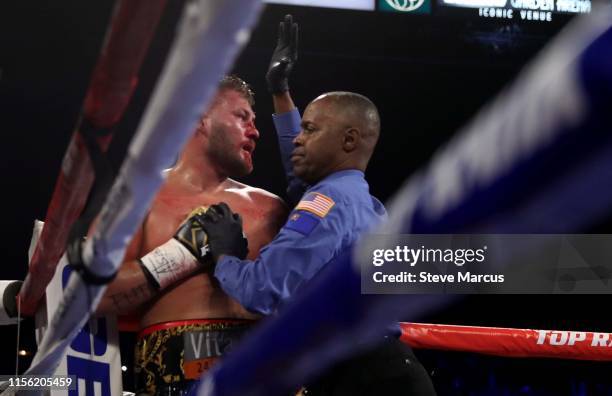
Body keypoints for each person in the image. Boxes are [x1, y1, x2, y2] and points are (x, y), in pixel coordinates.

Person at [196, 15, 437, 396]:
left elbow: (263, 289)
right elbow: (299, 180)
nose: (298, 140)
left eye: (310, 130)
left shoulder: (329, 203)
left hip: (366, 380)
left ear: (348, 141)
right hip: (378, 373)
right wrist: (280, 91)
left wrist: (227, 256)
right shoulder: (357, 198)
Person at [95, 76, 288, 395]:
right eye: (242, 117)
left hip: (261, 369)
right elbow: (93, 293)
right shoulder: (137, 196)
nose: (255, 131)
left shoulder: (271, 208)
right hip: (170, 368)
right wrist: (183, 253)